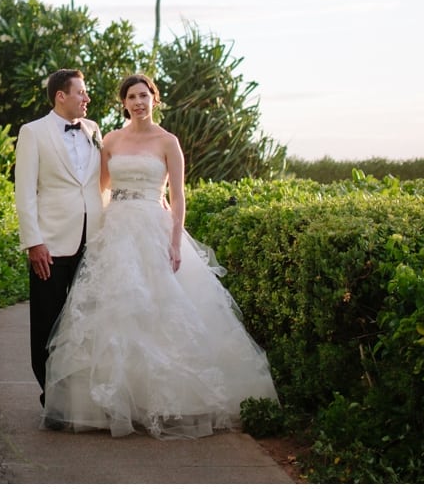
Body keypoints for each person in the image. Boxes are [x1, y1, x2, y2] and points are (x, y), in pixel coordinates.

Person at [42, 72, 278, 438]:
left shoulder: (169, 142)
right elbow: (101, 188)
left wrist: (174, 239)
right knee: (117, 313)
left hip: (155, 226)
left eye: (143, 96)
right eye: (131, 97)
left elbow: (180, 196)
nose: (138, 102)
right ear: (123, 103)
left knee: (160, 311)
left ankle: (166, 402)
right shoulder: (110, 140)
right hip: (118, 229)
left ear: (154, 99)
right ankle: (113, 403)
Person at [14, 68, 104, 407]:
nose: (87, 98)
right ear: (60, 96)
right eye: (81, 92)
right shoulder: (32, 133)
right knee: (47, 321)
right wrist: (34, 241)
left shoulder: (94, 130)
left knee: (87, 320)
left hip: (93, 238)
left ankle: (82, 396)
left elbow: (101, 182)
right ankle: (50, 396)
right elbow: (25, 193)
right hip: (50, 243)